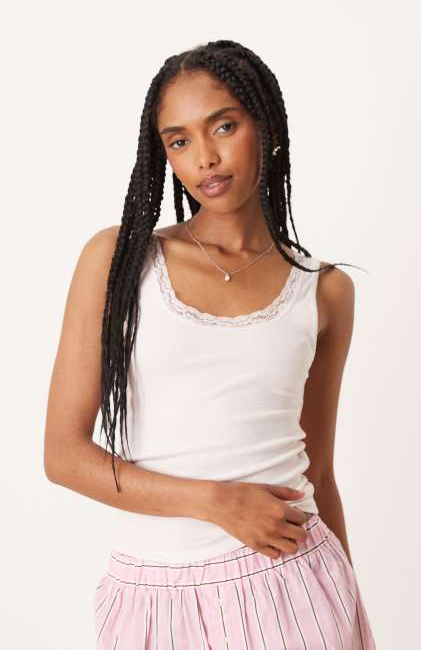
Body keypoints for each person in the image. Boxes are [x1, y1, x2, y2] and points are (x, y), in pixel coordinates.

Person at [44, 40, 377, 649]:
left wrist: (351, 610)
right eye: (179, 140)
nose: (205, 157)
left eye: (224, 126)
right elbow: (63, 456)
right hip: (153, 598)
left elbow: (320, 471)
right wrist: (217, 502)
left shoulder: (324, 290)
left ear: (265, 126)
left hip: (295, 584)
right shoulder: (119, 262)